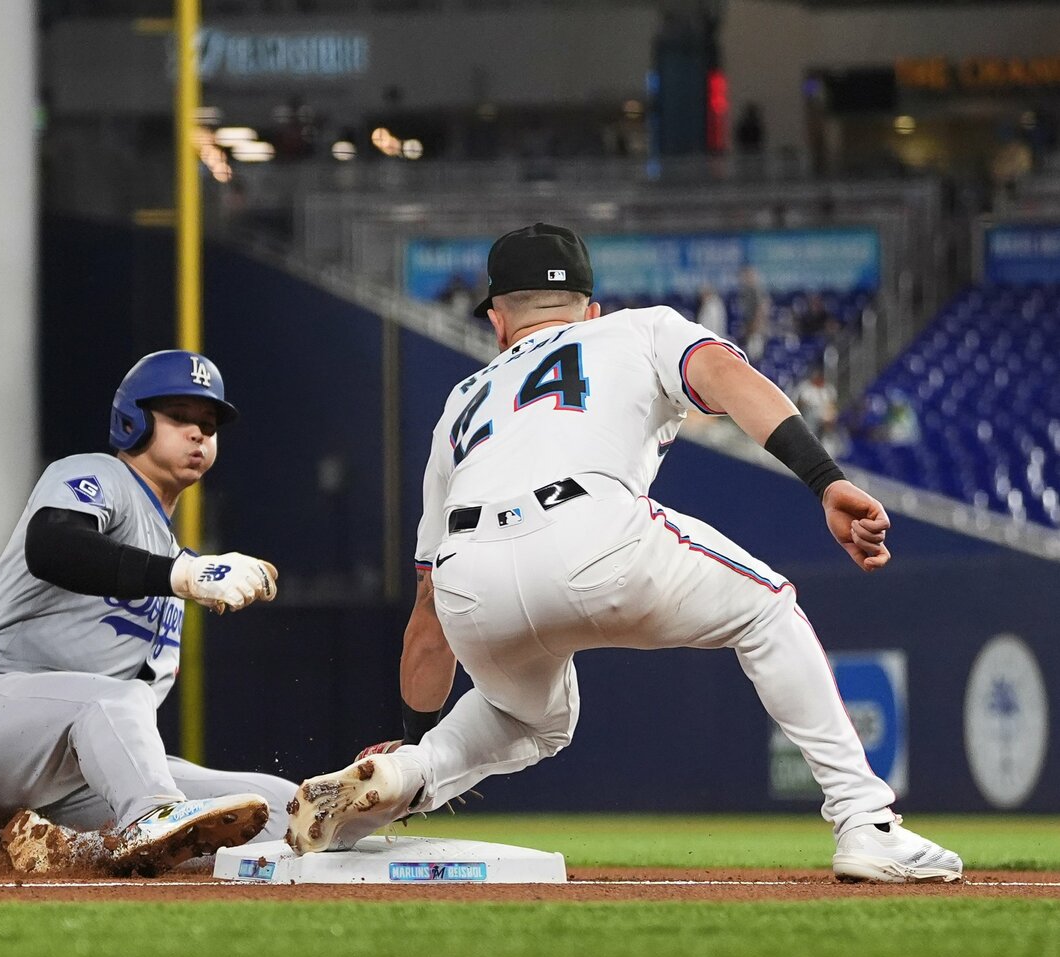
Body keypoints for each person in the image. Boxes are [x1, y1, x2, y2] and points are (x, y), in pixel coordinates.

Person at [285, 223, 962, 884]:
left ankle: (410, 773)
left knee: (532, 716)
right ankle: (866, 822)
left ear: (497, 320)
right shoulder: (636, 328)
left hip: (469, 576)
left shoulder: (461, 403)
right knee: (766, 611)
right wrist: (824, 477)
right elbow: (725, 377)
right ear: (590, 306)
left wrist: (412, 735)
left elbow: (427, 619)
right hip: (589, 531)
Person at [0, 351, 291, 876]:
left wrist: (179, 572)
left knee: (273, 802)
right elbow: (52, 547)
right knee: (119, 698)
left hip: (62, 779)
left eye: (208, 424)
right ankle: (149, 814)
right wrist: (182, 575)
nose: (198, 434)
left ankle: (70, 847)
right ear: (133, 420)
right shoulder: (99, 474)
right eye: (180, 416)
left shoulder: (167, 560)